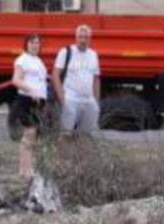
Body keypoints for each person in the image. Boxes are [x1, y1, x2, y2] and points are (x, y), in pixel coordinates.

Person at [52, 25, 101, 137]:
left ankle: (81, 155)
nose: (83, 40)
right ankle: (65, 155)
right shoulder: (66, 52)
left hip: (88, 100)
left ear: (90, 39)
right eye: (80, 37)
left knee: (85, 135)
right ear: (76, 37)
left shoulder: (93, 55)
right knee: (66, 134)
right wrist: (61, 96)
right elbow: (55, 74)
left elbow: (96, 78)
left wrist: (96, 101)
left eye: (86, 37)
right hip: (70, 98)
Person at [11, 34, 49, 179]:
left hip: (39, 101)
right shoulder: (22, 60)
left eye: (38, 43)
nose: (35, 45)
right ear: (26, 44)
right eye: (32, 42)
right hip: (27, 99)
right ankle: (24, 170)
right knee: (29, 134)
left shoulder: (39, 61)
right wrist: (30, 90)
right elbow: (15, 80)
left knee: (34, 136)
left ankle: (28, 168)